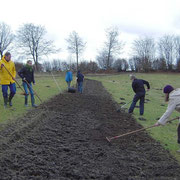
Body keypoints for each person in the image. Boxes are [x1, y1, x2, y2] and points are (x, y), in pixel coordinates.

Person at [154, 85, 180, 152]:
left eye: (165, 94)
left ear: (167, 93)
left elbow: (168, 112)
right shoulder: (178, 91)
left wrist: (159, 122)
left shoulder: (173, 97)